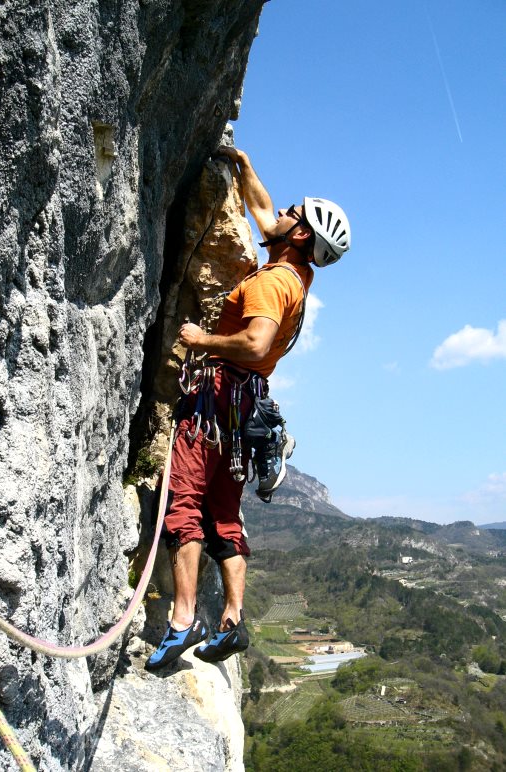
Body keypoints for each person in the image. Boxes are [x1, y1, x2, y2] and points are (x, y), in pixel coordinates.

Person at [145, 146, 351, 671]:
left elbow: (257, 343)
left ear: (300, 234)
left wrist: (203, 338)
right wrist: (246, 168)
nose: (281, 210)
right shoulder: (296, 275)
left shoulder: (269, 282)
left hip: (215, 401)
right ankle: (233, 619)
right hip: (245, 413)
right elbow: (264, 215)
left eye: (293, 211)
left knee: (184, 504)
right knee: (224, 515)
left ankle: (182, 617)